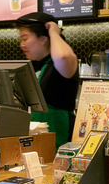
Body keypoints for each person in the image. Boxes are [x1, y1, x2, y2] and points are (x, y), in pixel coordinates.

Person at [16, 12, 79, 149]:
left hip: (58, 148)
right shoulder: (34, 65)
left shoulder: (59, 66)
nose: (22, 45)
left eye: (25, 39)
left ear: (44, 39)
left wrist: (54, 32)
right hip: (36, 145)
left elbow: (64, 56)